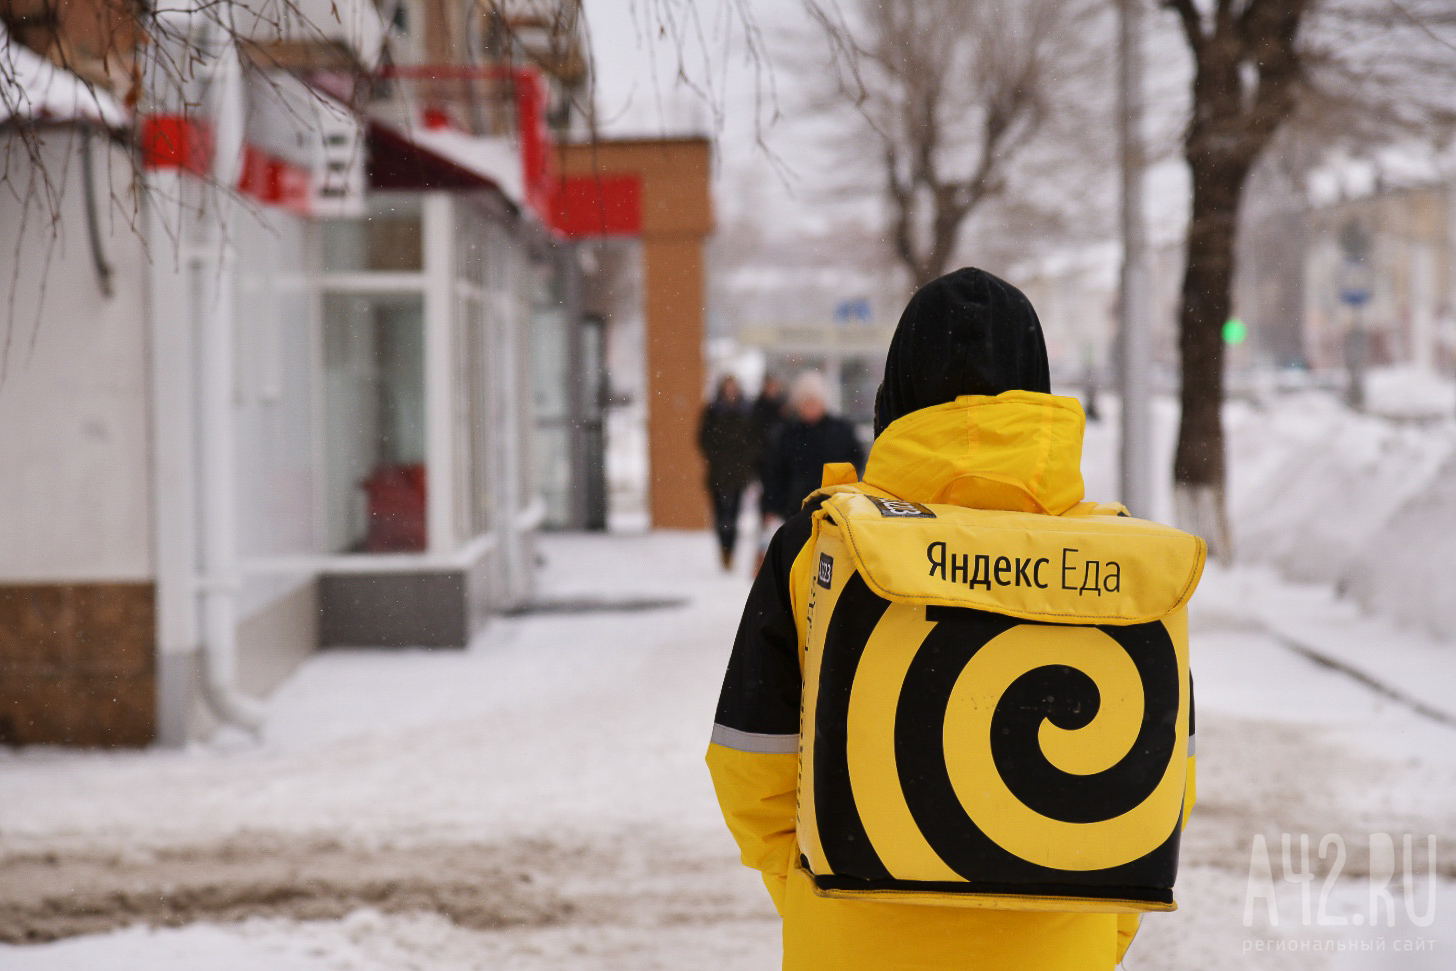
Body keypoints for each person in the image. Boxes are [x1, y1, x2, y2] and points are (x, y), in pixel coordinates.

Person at [706, 268, 1198, 971]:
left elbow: (750, 759)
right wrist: (1093, 924)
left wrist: (821, 882)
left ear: (895, 388)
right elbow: (1162, 779)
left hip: (854, 944)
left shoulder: (820, 544)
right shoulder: (1120, 565)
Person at [760, 370, 864, 525]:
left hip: (833, 508)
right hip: (796, 510)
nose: (809, 407)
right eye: (805, 401)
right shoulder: (789, 433)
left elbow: (856, 461)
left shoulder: (840, 431)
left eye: (813, 401)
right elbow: (776, 472)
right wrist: (770, 506)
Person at [697, 374, 758, 570]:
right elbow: (703, 438)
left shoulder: (747, 412)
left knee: (734, 515)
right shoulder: (713, 411)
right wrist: (717, 456)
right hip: (718, 472)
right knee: (720, 514)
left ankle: (730, 551)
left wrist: (745, 459)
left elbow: (753, 439)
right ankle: (724, 549)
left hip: (739, 472)